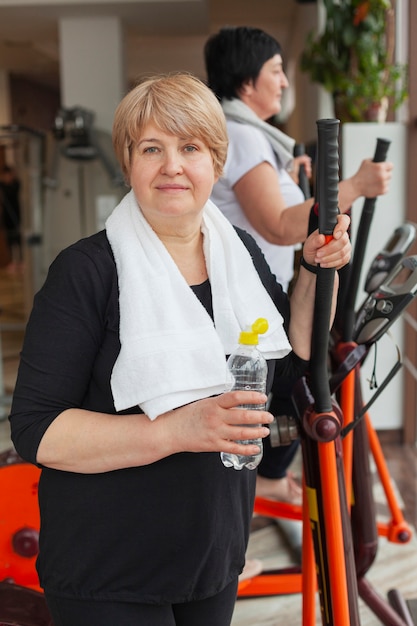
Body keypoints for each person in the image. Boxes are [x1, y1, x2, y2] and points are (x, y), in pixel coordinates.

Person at [9, 72, 351, 626]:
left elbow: (291, 359)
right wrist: (175, 431)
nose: (172, 166)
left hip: (212, 554)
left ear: (216, 163)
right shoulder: (87, 272)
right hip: (109, 567)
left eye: (189, 147)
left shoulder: (235, 253)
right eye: (152, 149)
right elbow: (35, 430)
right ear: (129, 163)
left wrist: (314, 269)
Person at [204, 26, 393, 508]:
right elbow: (283, 226)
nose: (285, 82)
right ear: (247, 83)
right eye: (276, 71)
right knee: (302, 385)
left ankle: (259, 479)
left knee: (307, 377)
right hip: (245, 306)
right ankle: (261, 480)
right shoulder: (243, 138)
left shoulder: (254, 139)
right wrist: (357, 184)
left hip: (262, 296)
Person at [0, 165, 22, 272]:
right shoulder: (2, 186)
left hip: (16, 216)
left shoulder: (15, 185)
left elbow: (15, 188)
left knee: (18, 240)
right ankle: (13, 261)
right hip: (7, 218)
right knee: (10, 241)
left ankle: (21, 261)